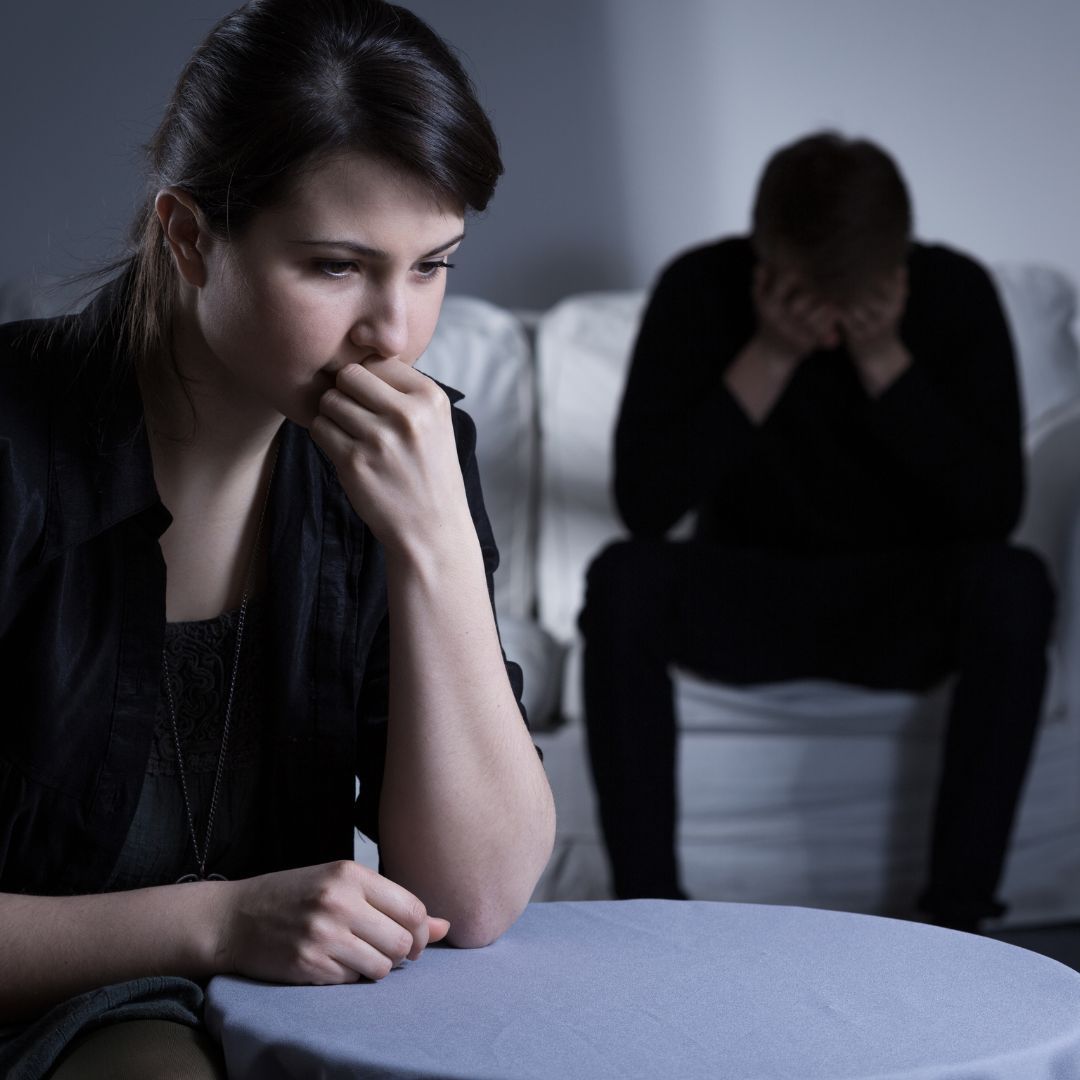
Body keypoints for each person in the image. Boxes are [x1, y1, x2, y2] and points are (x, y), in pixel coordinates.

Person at [0, 1, 555, 1075]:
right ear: (190, 237)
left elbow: (475, 898)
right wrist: (214, 923)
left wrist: (433, 542)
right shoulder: (16, 438)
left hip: (304, 1010)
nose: (395, 332)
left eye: (433, 264)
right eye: (337, 267)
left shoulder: (423, 450)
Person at [580, 131, 1054, 933]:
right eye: (806, 289)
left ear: (896, 261)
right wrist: (769, 355)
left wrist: (884, 360)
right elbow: (647, 506)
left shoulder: (956, 292)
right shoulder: (700, 287)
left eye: (853, 294)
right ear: (762, 249)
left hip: (900, 604)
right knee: (626, 575)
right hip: (748, 592)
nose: (828, 317)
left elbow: (993, 512)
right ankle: (648, 910)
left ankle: (958, 911)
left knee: (1013, 582)